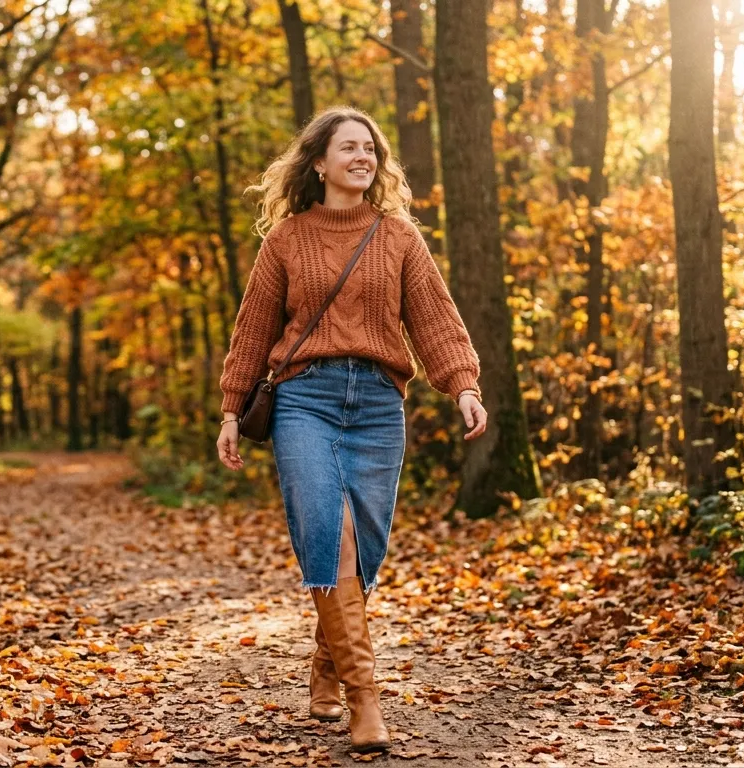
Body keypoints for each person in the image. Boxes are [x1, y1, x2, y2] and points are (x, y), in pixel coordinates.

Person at [215, 106, 488, 754]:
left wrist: (464, 385)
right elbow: (253, 329)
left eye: (370, 148)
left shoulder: (397, 237)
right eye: (349, 147)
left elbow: (434, 318)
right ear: (319, 163)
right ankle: (366, 700)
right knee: (324, 535)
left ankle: (325, 659)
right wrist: (231, 409)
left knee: (364, 552)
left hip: (376, 404)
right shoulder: (285, 240)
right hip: (303, 400)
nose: (363, 156)